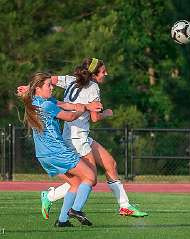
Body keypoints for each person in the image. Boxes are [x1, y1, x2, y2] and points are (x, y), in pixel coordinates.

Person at [37, 58, 147, 218]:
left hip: (77, 136)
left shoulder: (70, 80)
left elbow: (50, 79)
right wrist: (107, 113)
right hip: (78, 139)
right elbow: (95, 118)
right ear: (94, 74)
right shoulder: (93, 87)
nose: (106, 73)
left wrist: (32, 88)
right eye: (103, 71)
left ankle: (124, 206)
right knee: (87, 179)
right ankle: (52, 198)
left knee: (111, 164)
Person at [19, 72, 99, 227]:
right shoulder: (46, 104)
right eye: (49, 85)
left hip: (43, 155)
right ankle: (75, 210)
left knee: (75, 182)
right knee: (90, 177)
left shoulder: (36, 101)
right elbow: (70, 116)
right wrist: (82, 110)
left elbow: (65, 104)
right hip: (57, 152)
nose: (52, 88)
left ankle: (62, 221)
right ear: (38, 89)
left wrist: (84, 106)